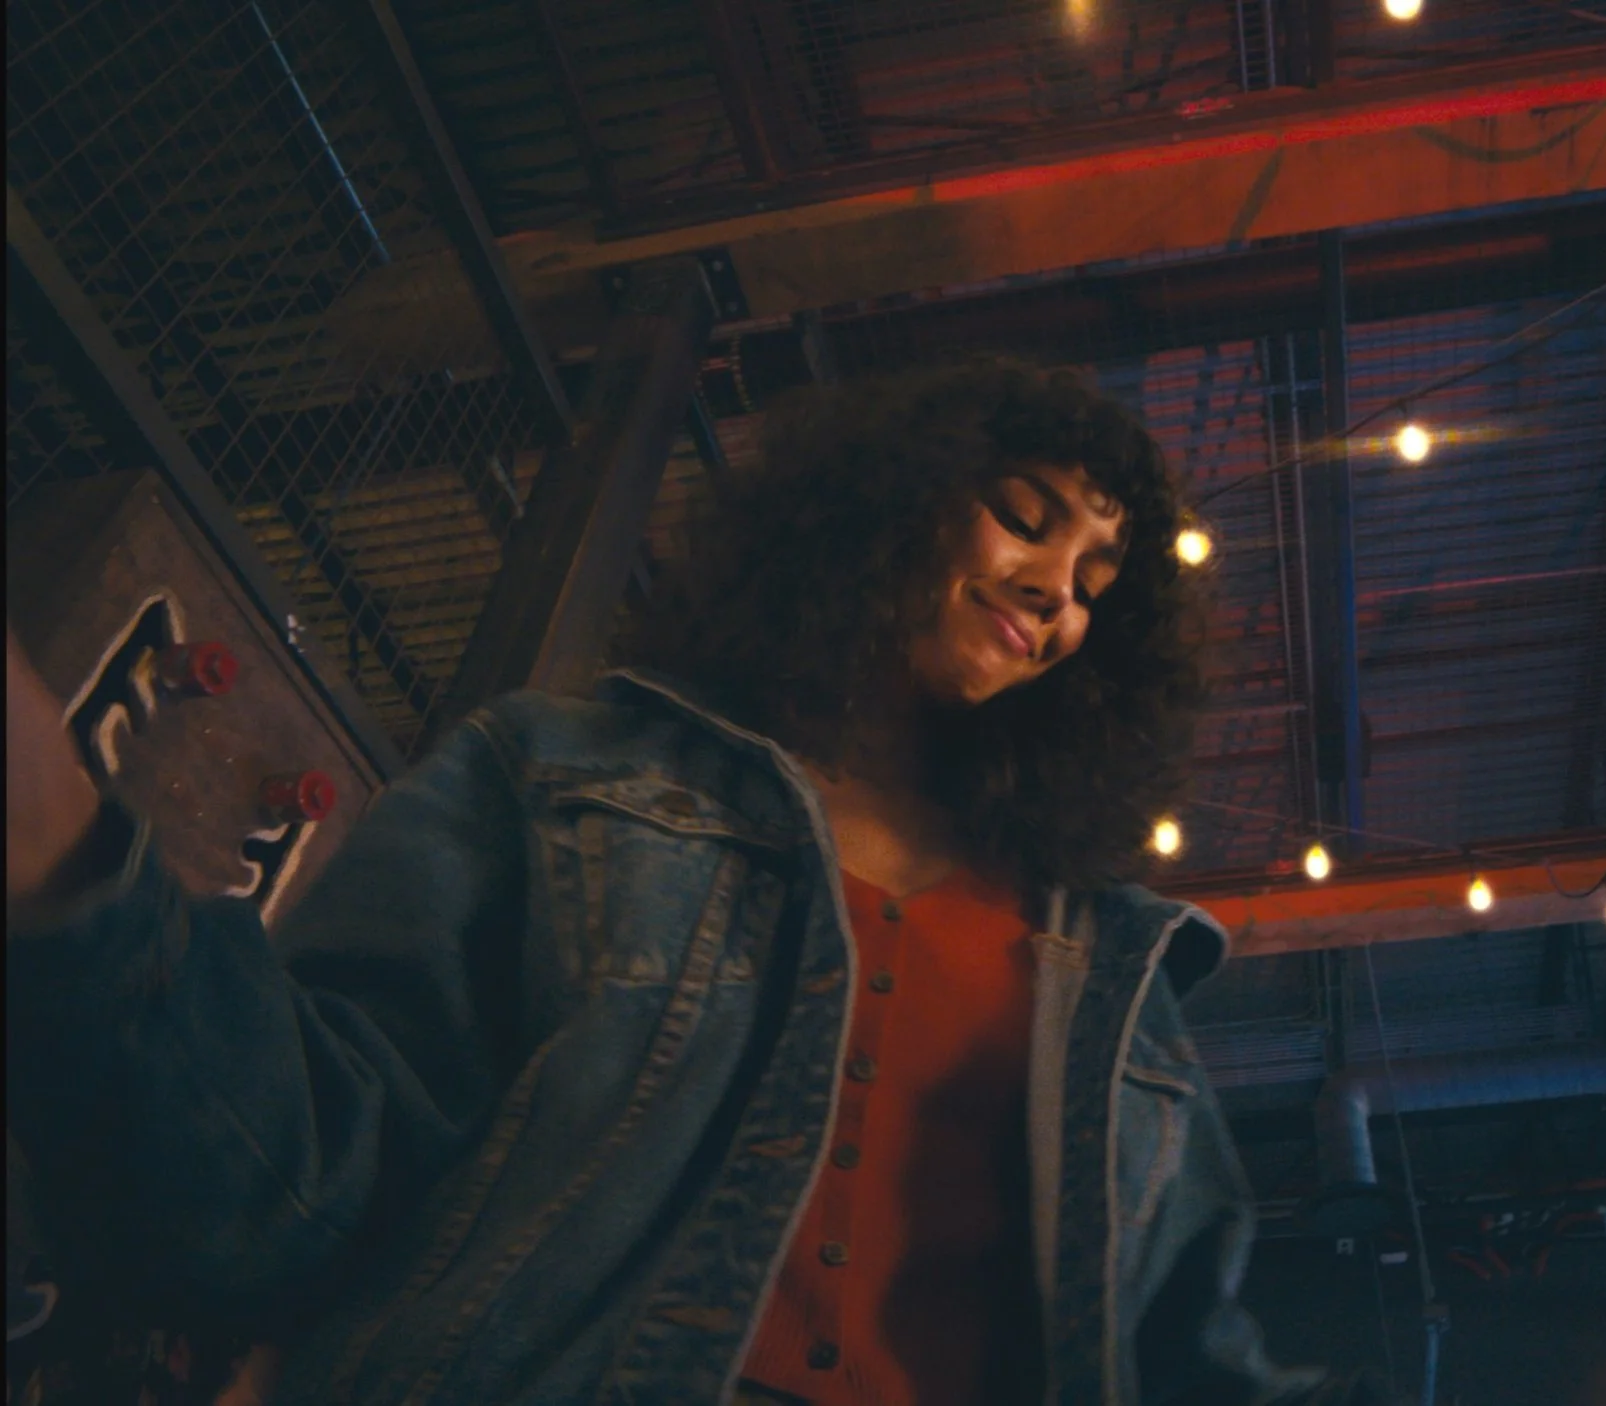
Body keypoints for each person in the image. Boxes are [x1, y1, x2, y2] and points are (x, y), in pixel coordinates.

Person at [6, 361, 1383, 1405]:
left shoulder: (1115, 980)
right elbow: (309, 1168)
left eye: (1094, 581)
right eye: (1024, 520)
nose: (1055, 595)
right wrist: (70, 868)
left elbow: (1190, 1353)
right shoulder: (559, 775)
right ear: (893, 498)